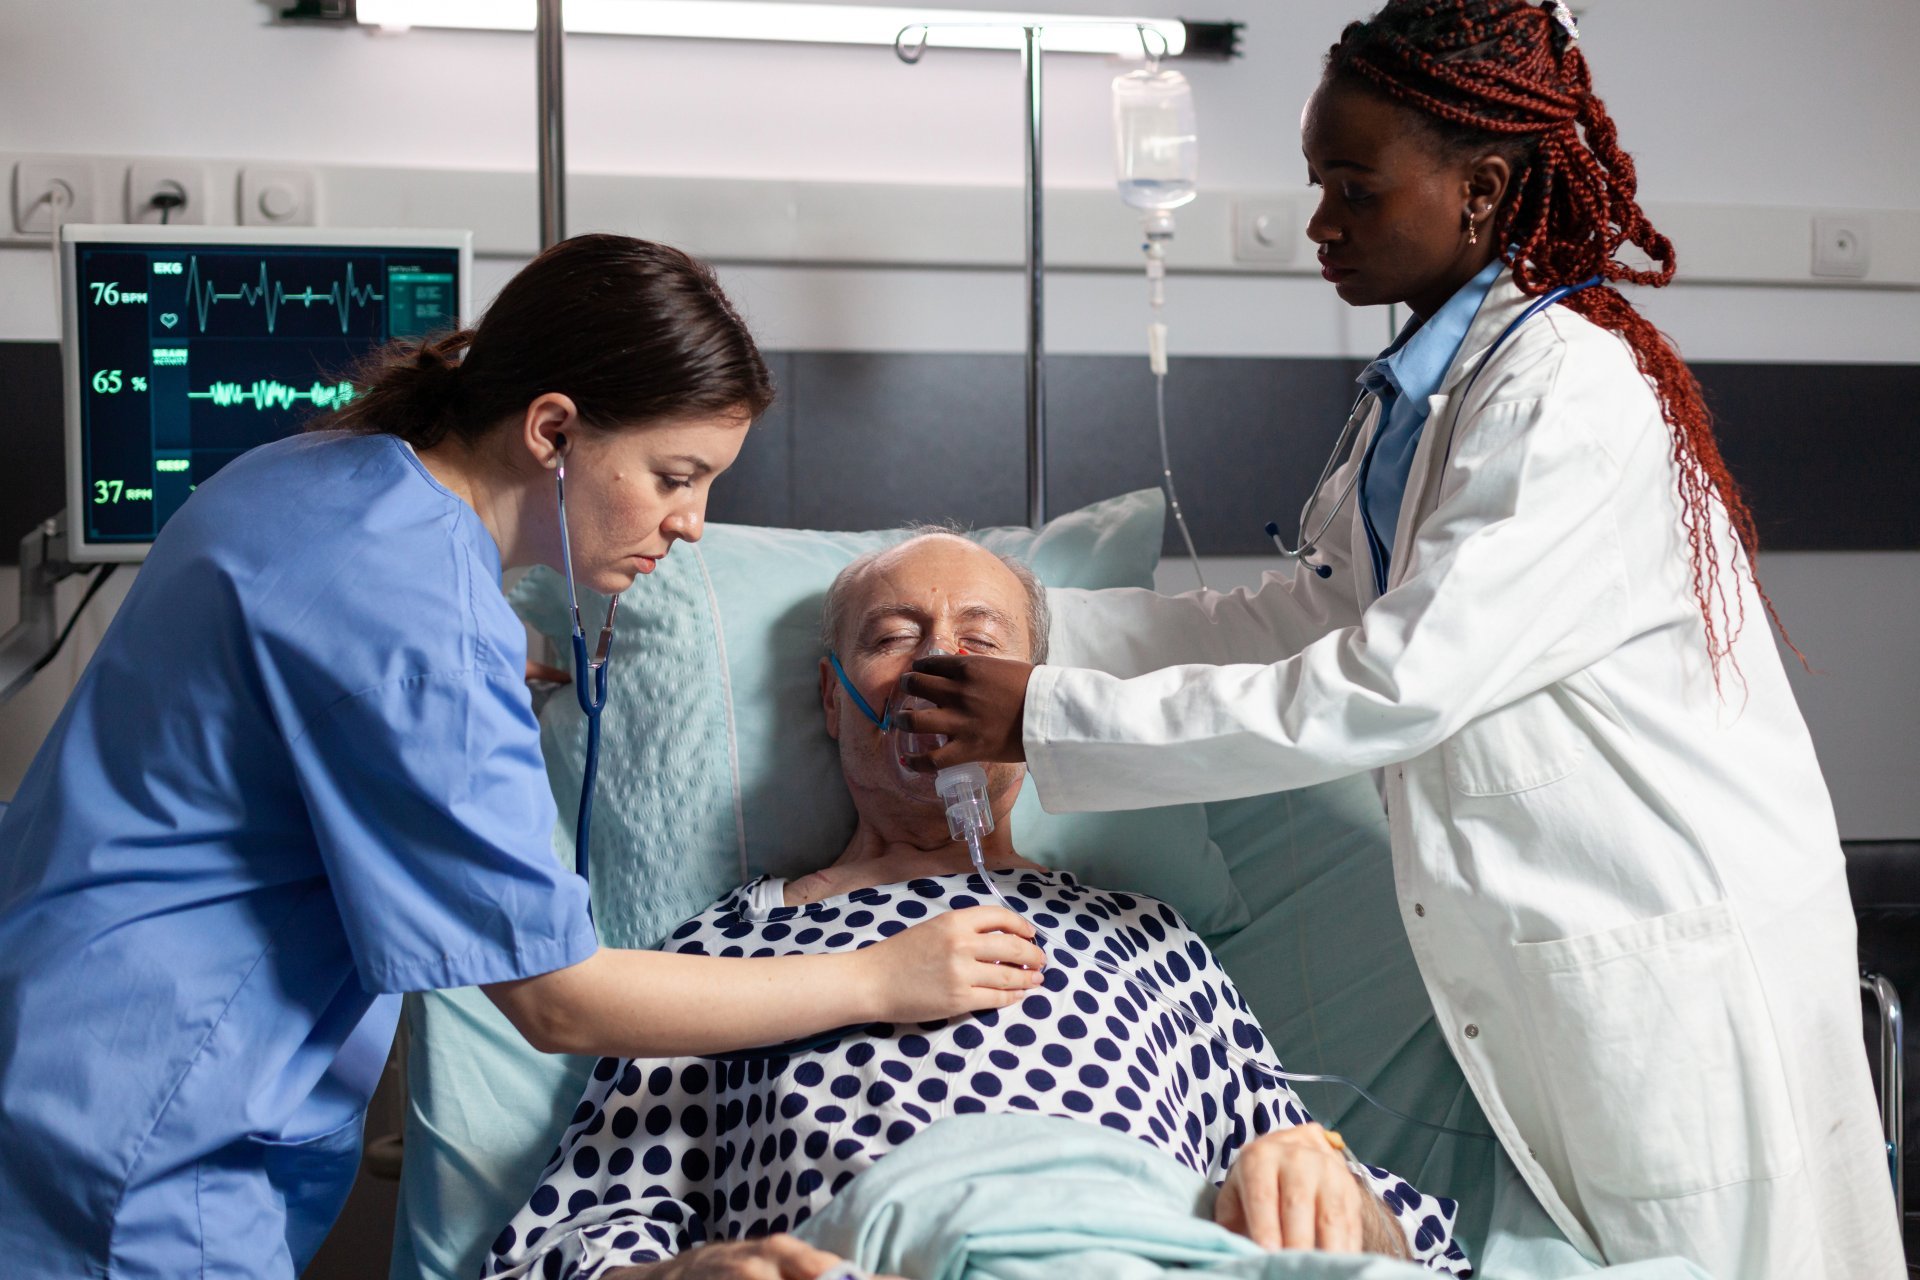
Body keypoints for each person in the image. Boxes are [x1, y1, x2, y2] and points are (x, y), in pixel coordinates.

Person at [891, 5, 1905, 1278]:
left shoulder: (1567, 398)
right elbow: (1300, 619)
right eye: (1318, 183)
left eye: (1354, 190)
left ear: (1481, 190)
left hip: (1674, 952)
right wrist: (1033, 625)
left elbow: (1388, 683)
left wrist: (1041, 717)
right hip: (1571, 969)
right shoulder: (1421, 401)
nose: (1319, 223)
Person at [0, 236, 1043, 1279]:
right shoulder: (427, 634)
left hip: (54, 1037)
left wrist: (478, 675)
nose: (691, 524)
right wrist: (879, 976)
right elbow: (556, 1001)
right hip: (141, 1146)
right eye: (674, 476)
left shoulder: (310, 477)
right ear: (553, 430)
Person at [482, 533, 1472, 1279]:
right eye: (892, 636)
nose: (934, 664)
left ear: (1036, 699)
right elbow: (573, 1232)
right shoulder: (723, 951)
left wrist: (1325, 1177)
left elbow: (1366, 1223)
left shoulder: (1146, 937)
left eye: (978, 639)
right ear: (833, 703)